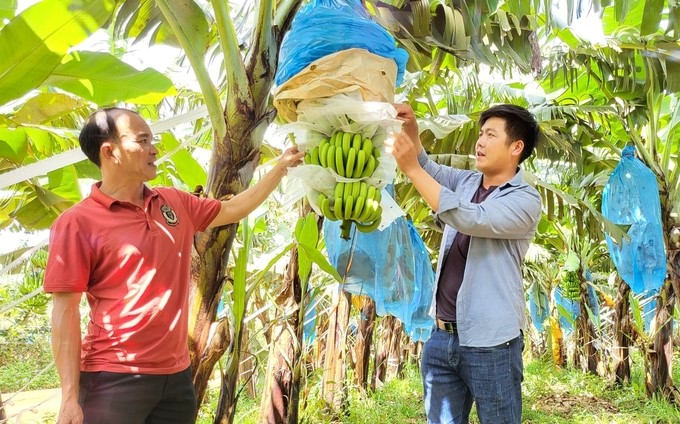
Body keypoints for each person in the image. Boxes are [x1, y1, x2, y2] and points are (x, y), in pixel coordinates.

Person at [43, 108, 304, 424]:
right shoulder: (77, 223)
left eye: (152, 139)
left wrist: (280, 168)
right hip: (112, 377)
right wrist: (69, 396)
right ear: (109, 152)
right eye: (142, 140)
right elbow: (65, 312)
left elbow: (234, 208)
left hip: (177, 378)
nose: (154, 148)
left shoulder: (173, 202)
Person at [387, 103, 542, 424]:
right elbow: (428, 167)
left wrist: (411, 171)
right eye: (480, 134)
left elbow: (469, 218)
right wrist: (412, 131)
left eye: (490, 135)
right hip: (442, 337)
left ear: (516, 147)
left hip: (492, 343)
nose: (480, 142)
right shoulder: (468, 182)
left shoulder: (525, 199)